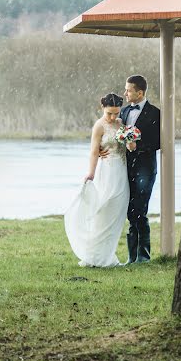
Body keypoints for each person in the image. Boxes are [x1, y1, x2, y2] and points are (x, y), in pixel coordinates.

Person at [64, 93, 130, 267]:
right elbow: (94, 151)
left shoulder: (122, 124)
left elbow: (129, 147)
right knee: (103, 211)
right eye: (109, 113)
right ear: (103, 108)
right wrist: (91, 173)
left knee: (116, 213)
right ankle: (95, 256)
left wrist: (130, 141)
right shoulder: (99, 126)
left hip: (121, 173)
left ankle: (108, 255)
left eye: (116, 113)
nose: (113, 117)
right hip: (106, 172)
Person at [120, 75, 160, 263]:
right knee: (130, 209)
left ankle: (143, 256)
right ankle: (131, 257)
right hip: (126, 167)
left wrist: (138, 145)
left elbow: (160, 141)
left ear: (140, 92)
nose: (125, 93)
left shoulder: (155, 114)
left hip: (145, 168)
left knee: (140, 209)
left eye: (128, 90)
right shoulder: (124, 111)